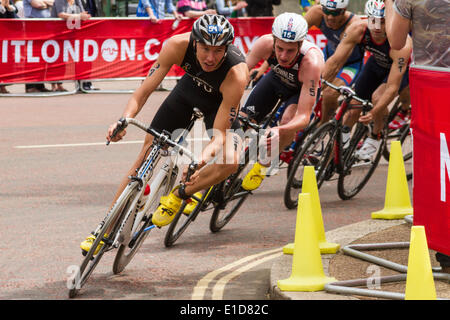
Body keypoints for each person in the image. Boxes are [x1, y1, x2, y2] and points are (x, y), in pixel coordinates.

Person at [80, 14, 249, 253]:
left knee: (230, 160)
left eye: (218, 50)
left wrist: (199, 162)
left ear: (227, 48)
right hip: (187, 91)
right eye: (204, 49)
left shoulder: (236, 74)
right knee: (144, 156)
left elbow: (219, 135)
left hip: (218, 104)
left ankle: (181, 194)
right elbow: (143, 91)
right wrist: (123, 120)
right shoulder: (176, 45)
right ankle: (103, 230)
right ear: (194, 43)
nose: (210, 58)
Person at [385, 0, 450, 274]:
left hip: (434, 80)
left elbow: (396, 40)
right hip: (434, 78)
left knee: (439, 166)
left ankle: (444, 246)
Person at [239, 12, 325, 191]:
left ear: (300, 44)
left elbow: (303, 117)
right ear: (273, 40)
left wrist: (280, 129)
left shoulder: (312, 62)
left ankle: (264, 164)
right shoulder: (264, 43)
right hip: (276, 79)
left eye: (290, 50)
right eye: (279, 49)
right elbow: (240, 73)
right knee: (241, 121)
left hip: (299, 90)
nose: (284, 56)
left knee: (287, 121)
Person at [322, 0, 412, 161]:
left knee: (378, 98)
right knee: (354, 104)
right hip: (376, 63)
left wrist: (373, 113)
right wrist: (318, 85)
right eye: (373, 21)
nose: (376, 27)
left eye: (382, 22)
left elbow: (392, 88)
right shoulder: (358, 28)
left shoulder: (402, 44)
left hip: (399, 69)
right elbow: (335, 61)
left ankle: (376, 136)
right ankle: (341, 145)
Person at [305, 0, 364, 126]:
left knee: (329, 93)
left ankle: (324, 124)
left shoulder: (353, 25)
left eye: (335, 13)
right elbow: (293, 37)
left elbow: (336, 63)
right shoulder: (316, 12)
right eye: (327, 11)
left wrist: (318, 85)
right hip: (328, 55)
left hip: (350, 64)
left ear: (344, 10)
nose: (330, 17)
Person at [23, 0, 54, 93]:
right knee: (32, 56)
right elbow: (37, 4)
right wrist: (46, 4)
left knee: (41, 56)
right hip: (33, 26)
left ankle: (40, 85)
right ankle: (30, 86)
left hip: (44, 26)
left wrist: (45, 4)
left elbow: (54, 3)